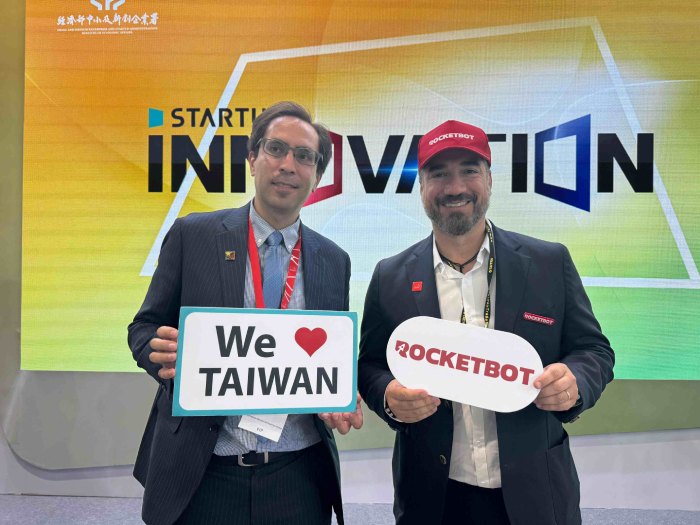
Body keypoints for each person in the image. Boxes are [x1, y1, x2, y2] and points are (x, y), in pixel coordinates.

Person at [358, 119, 614, 525]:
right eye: (439, 174)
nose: (455, 187)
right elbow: (370, 364)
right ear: (421, 186)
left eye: (469, 171)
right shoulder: (390, 276)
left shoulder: (548, 262)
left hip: (534, 492)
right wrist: (388, 395)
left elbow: (594, 350)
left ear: (490, 180)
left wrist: (576, 382)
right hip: (432, 497)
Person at [128, 101, 363, 525]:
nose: (288, 165)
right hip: (203, 470)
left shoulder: (334, 260)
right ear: (253, 158)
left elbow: (328, 359)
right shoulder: (193, 235)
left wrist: (341, 397)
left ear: (317, 176)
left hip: (298, 476)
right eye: (276, 149)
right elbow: (143, 327)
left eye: (304, 156)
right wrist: (158, 353)